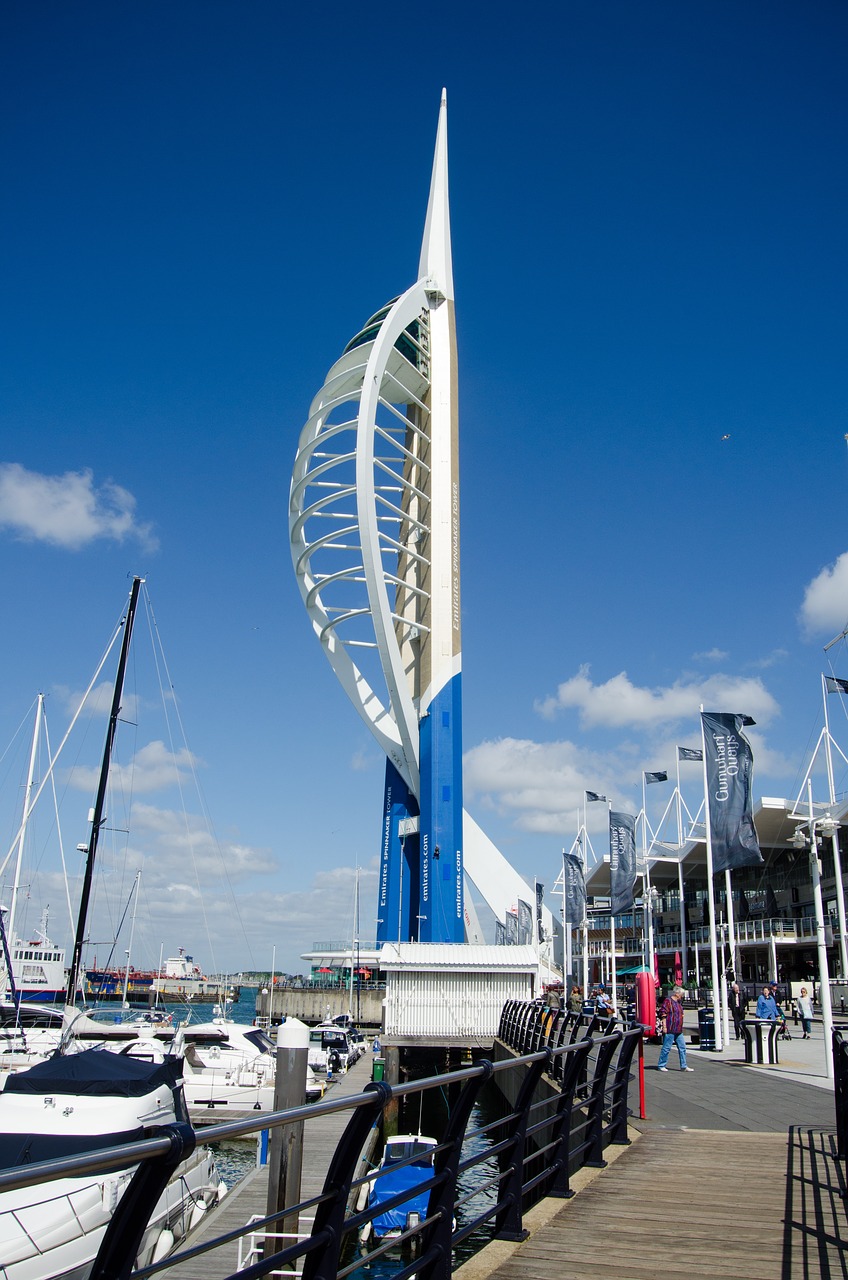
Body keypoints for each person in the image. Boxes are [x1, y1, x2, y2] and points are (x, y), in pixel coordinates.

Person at [657, 985, 693, 1072]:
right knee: (667, 1047)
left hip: (678, 1028)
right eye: (681, 994)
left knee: (682, 1047)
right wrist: (664, 1026)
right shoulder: (668, 1001)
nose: (682, 996)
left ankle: (683, 1065)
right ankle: (661, 1064)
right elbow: (663, 1013)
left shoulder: (679, 1003)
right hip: (670, 1027)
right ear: (677, 994)